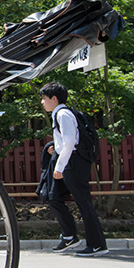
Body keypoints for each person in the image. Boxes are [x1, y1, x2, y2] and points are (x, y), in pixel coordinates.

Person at [39, 81, 108, 257]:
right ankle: (70, 236)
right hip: (70, 161)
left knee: (84, 204)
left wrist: (59, 166)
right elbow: (66, 140)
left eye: (44, 98)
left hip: (73, 163)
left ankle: (97, 245)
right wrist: (54, 146)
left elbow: (70, 141)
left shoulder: (62, 114)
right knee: (53, 197)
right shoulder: (62, 113)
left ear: (54, 98)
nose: (42, 102)